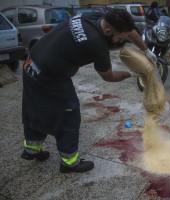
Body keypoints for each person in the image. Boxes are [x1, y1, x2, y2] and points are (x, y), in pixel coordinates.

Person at [21, 9, 157, 173]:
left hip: (31, 64)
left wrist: (146, 50)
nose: (121, 41)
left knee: (34, 106)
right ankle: (69, 162)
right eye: (119, 38)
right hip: (50, 76)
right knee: (69, 114)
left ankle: (32, 150)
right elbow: (108, 76)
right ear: (108, 31)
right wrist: (133, 73)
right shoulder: (97, 43)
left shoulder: (95, 16)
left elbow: (128, 31)